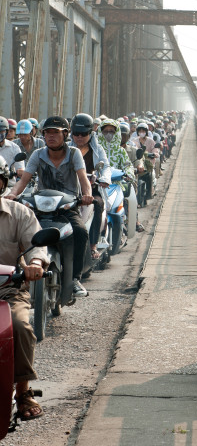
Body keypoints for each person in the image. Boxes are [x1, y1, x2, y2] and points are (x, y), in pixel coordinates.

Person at [5, 116, 93, 297]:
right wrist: (13, 194)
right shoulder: (37, 155)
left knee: (81, 232)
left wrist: (87, 195)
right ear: (43, 135)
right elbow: (24, 180)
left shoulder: (74, 153)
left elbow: (83, 179)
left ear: (65, 134)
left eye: (56, 132)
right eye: (47, 133)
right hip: (41, 206)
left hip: (67, 207)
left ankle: (75, 278)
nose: (51, 136)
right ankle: (15, 274)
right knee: (21, 231)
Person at [0, 158, 47, 421]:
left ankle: (23, 391)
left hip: (8, 290)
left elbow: (36, 244)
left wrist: (36, 263)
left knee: (20, 326)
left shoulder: (18, 213)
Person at [70, 114, 111, 260]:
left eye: (84, 134)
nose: (79, 137)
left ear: (91, 133)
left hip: (92, 190)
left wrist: (104, 178)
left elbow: (105, 166)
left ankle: (93, 245)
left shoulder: (97, 149)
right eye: (76, 134)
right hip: (70, 190)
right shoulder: (66, 149)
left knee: (98, 204)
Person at [0, 116, 25, 186]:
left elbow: (20, 167)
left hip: (9, 185)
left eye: (1, 131)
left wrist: (20, 170)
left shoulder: (14, 147)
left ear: (6, 132)